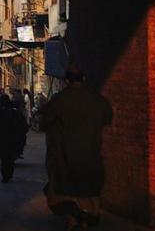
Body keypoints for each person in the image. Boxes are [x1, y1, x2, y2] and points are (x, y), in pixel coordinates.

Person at [40, 63, 112, 230]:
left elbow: (44, 122)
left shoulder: (60, 100)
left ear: (66, 81)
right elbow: (108, 118)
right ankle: (84, 220)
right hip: (92, 161)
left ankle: (73, 220)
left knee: (64, 196)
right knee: (89, 194)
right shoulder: (98, 100)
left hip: (66, 162)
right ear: (84, 79)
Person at [0, 94, 28, 183]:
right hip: (13, 138)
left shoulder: (0, 111)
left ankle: (5, 175)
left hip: (3, 138)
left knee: (4, 158)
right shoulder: (14, 111)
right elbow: (23, 125)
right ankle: (8, 174)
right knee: (10, 158)